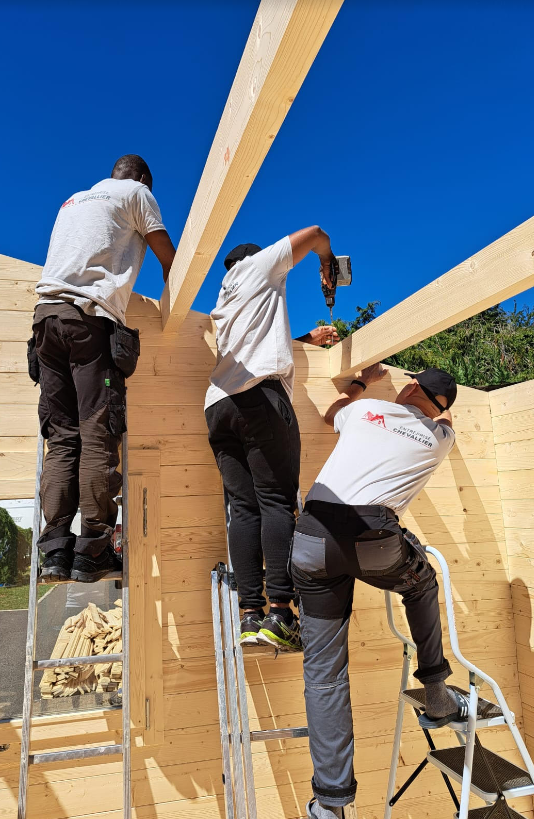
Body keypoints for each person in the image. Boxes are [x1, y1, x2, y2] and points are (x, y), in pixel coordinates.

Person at [293, 365, 466, 819]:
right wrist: (440, 417)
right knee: (422, 581)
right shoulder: (440, 439)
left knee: (324, 673)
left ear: (409, 388)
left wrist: (362, 383)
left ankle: (330, 802)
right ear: (441, 409)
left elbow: (334, 413)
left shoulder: (368, 408)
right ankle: (436, 692)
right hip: (374, 542)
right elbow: (446, 425)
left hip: (312, 540)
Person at [30, 154, 176, 583]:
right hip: (88, 321)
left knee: (62, 438)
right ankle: (92, 549)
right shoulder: (138, 194)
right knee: (97, 431)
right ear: (144, 179)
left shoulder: (73, 199)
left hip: (45, 319)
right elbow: (169, 256)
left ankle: (55, 548)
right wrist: (177, 300)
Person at [204, 228, 340, 650]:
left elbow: (259, 344)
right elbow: (316, 233)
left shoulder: (224, 299)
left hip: (218, 405)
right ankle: (280, 613)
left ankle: (251, 616)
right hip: (261, 399)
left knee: (244, 510)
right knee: (277, 503)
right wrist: (326, 262)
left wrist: (306, 340)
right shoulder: (258, 267)